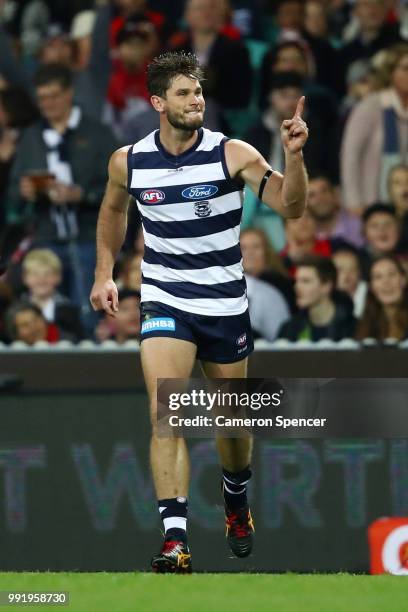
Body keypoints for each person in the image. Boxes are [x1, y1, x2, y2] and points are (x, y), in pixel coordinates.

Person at [89, 51, 308, 573]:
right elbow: (113, 210)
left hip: (225, 304)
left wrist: (294, 156)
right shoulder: (129, 160)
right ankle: (175, 539)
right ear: (159, 102)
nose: (197, 101)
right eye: (185, 93)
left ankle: (236, 497)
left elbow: (292, 206)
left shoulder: (232, 154)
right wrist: (104, 272)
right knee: (167, 410)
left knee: (233, 429)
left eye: (200, 92)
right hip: (165, 297)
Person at [5, 63, 117, 333]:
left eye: (53, 96)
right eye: (42, 98)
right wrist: (24, 193)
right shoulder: (31, 137)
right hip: (45, 238)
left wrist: (83, 195)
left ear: (69, 93)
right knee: (42, 314)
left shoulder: (98, 135)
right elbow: (12, 194)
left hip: (90, 238)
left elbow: (123, 191)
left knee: (89, 313)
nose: (47, 104)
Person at [278, 255, 356, 341]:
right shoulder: (290, 329)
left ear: (326, 285)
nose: (297, 287)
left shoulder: (353, 327)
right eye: (296, 281)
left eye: (306, 281)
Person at [21, 248, 83, 341]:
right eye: (35, 274)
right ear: (25, 277)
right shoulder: (17, 309)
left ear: (58, 277)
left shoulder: (70, 311)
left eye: (47, 274)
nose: (41, 280)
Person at [356, 255, 408, 340]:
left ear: (403, 280)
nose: (386, 282)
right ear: (371, 287)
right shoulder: (362, 326)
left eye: (391, 274)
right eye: (378, 277)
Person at [307, 175, 364, 247]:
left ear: (334, 195)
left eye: (324, 191)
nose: (320, 199)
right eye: (312, 195)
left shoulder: (357, 226)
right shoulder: (303, 235)